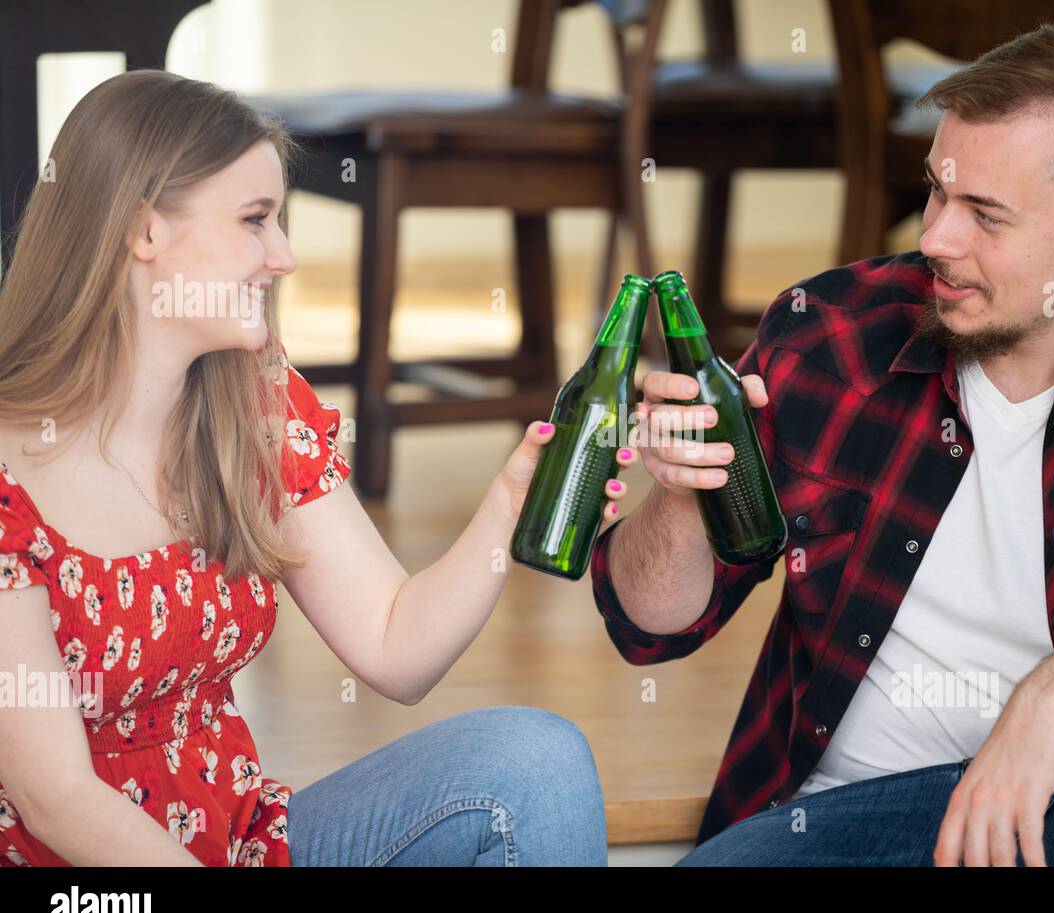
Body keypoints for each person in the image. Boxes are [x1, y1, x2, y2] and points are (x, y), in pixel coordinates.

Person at [590, 22, 1054, 866]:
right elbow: (651, 627)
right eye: (936, 192)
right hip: (850, 818)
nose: (935, 238)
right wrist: (679, 494)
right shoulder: (831, 330)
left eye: (984, 215)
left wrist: (1049, 700)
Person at [0, 69, 632, 867]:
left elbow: (395, 649)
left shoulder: (255, 412)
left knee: (532, 761)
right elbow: (56, 799)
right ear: (145, 229)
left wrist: (506, 507)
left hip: (240, 846)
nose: (286, 257)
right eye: (256, 220)